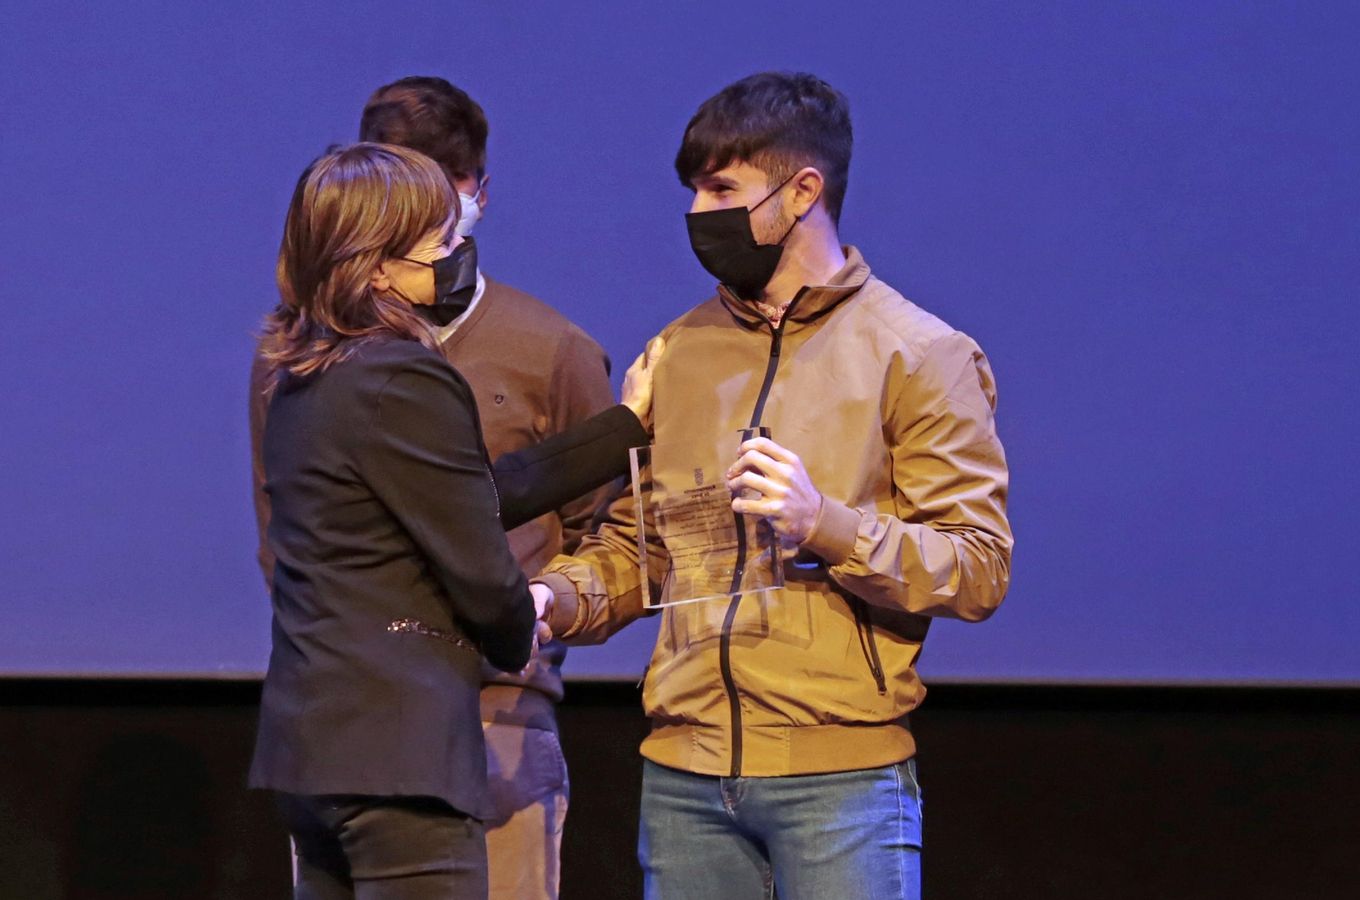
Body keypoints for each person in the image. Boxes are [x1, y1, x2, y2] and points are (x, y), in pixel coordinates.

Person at [530, 71, 1013, 899]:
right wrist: (556, 598)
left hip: (838, 784)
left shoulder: (919, 353)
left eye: (723, 189)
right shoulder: (680, 352)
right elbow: (646, 546)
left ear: (802, 192)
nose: (698, 212)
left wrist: (825, 522)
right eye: (694, 190)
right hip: (684, 775)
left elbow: (976, 567)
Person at [250, 142, 651, 899]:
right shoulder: (406, 374)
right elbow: (476, 557)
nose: (456, 253)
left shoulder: (302, 373)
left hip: (311, 751)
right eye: (438, 242)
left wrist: (621, 429)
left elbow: (460, 494)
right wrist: (518, 625)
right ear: (376, 267)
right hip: (402, 749)